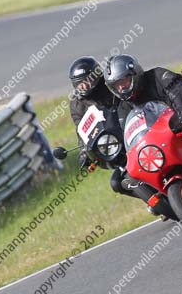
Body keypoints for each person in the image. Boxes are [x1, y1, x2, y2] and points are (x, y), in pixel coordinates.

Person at [68, 57, 175, 218]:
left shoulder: (109, 84)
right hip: (113, 142)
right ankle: (155, 200)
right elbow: (81, 130)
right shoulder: (77, 104)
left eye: (87, 80)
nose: (84, 85)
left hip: (135, 127)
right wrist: (84, 152)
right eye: (80, 83)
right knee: (117, 182)